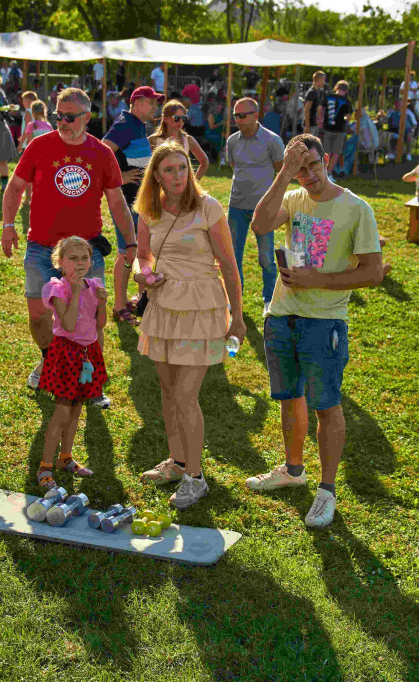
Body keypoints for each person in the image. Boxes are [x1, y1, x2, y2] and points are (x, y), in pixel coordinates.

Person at [248, 133, 384, 528]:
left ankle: (327, 491)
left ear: (326, 160)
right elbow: (259, 224)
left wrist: (316, 279)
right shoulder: (292, 198)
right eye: (300, 169)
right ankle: (293, 470)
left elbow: (373, 273)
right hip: (282, 315)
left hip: (324, 323)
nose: (308, 175)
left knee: (326, 404)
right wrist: (284, 175)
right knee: (290, 398)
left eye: (313, 165)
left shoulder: (356, 208)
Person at [1, 87, 135, 408]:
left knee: (92, 320)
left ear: (87, 117)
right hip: (41, 246)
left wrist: (130, 241)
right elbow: (15, 187)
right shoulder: (39, 146)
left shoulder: (101, 153)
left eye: (69, 117)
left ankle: (92, 382)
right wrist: (7, 225)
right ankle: (51, 361)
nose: (62, 122)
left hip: (85, 252)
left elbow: (117, 202)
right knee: (38, 316)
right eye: (58, 115)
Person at [134, 141, 245, 509]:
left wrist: (238, 318)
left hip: (201, 308)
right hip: (163, 306)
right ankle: (177, 461)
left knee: (185, 396)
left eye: (182, 168)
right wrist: (144, 275)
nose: (178, 175)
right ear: (156, 176)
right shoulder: (149, 208)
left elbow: (229, 267)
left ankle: (195, 479)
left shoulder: (208, 207)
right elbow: (142, 257)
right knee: (168, 392)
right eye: (169, 170)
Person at [34, 236, 108, 488]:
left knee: (76, 409)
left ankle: (65, 458)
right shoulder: (57, 288)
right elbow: (67, 324)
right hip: (66, 354)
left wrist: (103, 304)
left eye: (84, 258)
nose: (80, 263)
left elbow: (99, 324)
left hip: (87, 353)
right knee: (62, 411)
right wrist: (76, 293)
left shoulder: (94, 285)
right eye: (73, 258)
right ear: (60, 262)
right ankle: (45, 466)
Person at [102, 85, 161, 327]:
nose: (155, 107)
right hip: (126, 202)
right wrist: (120, 177)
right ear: (136, 103)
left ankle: (131, 300)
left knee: (136, 251)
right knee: (127, 252)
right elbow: (103, 150)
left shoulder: (137, 125)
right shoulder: (125, 124)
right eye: (151, 102)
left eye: (156, 103)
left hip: (138, 202)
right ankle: (119, 306)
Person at [226, 97, 284, 316]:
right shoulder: (232, 141)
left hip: (264, 209)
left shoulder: (273, 141)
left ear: (256, 115)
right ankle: (235, 301)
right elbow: (234, 165)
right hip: (236, 206)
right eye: (235, 116)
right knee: (233, 257)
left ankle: (269, 299)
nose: (238, 120)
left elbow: (281, 171)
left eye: (242, 115)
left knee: (266, 257)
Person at [149, 99, 209, 181]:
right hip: (159, 186)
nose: (181, 121)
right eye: (176, 118)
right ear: (165, 119)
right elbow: (142, 165)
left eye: (184, 118)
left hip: (182, 186)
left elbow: (204, 161)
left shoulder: (188, 140)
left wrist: (193, 183)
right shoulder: (153, 140)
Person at [322, 80, 352, 175]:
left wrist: (321, 120)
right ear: (346, 90)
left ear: (336, 87)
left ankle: (322, 171)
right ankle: (328, 173)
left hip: (327, 128)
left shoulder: (328, 97)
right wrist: (345, 120)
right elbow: (349, 117)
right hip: (340, 129)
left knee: (326, 152)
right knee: (336, 153)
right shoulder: (347, 101)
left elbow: (320, 109)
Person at [302, 70, 327, 136]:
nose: (324, 82)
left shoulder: (317, 91)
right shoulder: (311, 92)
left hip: (314, 123)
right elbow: (306, 110)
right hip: (310, 125)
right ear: (319, 80)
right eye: (323, 80)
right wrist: (307, 126)